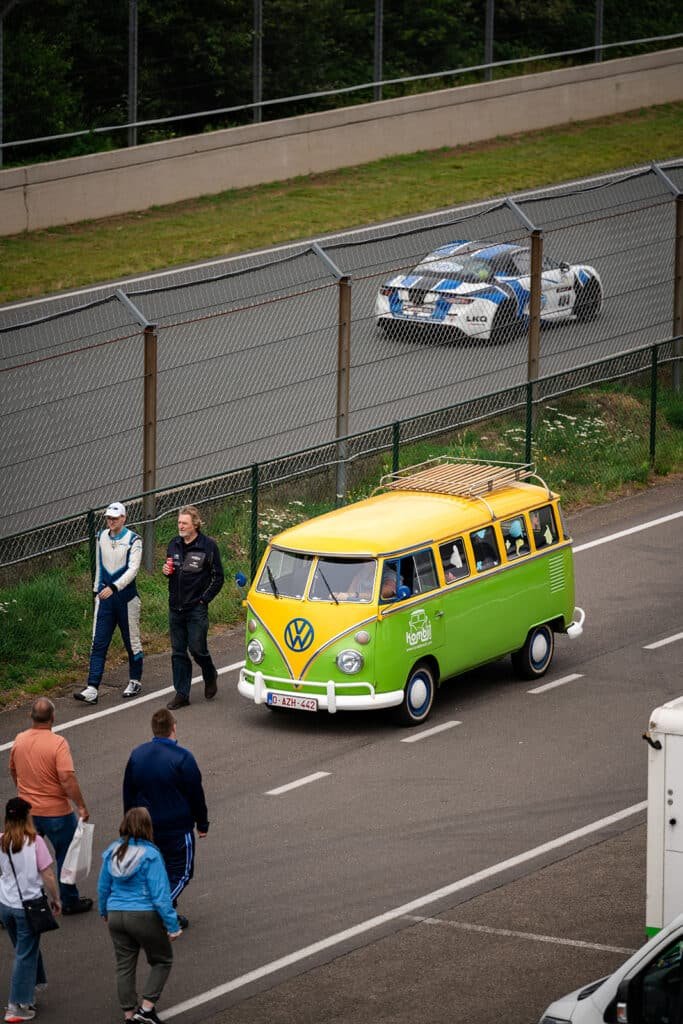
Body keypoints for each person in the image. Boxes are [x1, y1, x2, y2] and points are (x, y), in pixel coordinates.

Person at [122, 709, 209, 931]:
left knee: (156, 870)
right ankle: (158, 908)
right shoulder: (183, 758)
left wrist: (128, 824)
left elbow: (128, 792)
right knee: (182, 872)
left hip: (145, 827)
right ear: (174, 727)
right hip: (176, 827)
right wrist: (202, 823)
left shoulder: (137, 754)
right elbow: (195, 794)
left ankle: (167, 911)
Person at [9, 699, 92, 917]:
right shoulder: (58, 743)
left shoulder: (19, 740)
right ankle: (69, 900)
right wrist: (81, 806)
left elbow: (13, 770)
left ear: (31, 716)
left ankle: (23, 898)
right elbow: (66, 778)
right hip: (56, 811)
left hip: (27, 811)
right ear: (52, 718)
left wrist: (24, 790)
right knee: (66, 854)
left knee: (21, 853)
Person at [98, 807, 182, 1024]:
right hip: (143, 915)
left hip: (116, 913)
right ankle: (146, 1010)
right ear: (148, 827)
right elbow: (161, 895)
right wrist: (172, 925)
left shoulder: (112, 851)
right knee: (162, 960)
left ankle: (129, 1015)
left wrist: (103, 910)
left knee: (124, 965)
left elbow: (103, 886)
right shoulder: (151, 855)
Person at [75, 501, 144, 705]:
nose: (111, 521)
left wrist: (114, 587)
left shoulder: (134, 540)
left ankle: (135, 680)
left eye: (115, 518)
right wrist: (97, 591)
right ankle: (92, 687)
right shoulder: (101, 536)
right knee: (98, 643)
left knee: (132, 642)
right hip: (105, 600)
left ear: (123, 518)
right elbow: (99, 565)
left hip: (127, 599)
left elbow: (133, 570)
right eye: (108, 518)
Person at [0, 797, 61, 1024]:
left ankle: (31, 989)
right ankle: (16, 1006)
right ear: (27, 816)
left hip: (5, 905)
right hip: (28, 906)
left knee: (23, 949)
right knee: (24, 955)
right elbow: (48, 875)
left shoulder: (1, 840)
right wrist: (56, 899)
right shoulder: (35, 842)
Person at [162, 505, 224, 710]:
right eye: (179, 522)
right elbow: (171, 568)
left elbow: (218, 577)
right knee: (178, 652)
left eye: (184, 523)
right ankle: (182, 693)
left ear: (195, 524)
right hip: (175, 607)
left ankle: (209, 673)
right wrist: (166, 571)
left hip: (196, 608)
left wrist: (204, 599)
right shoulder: (174, 544)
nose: (180, 526)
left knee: (197, 649)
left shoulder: (208, 546)